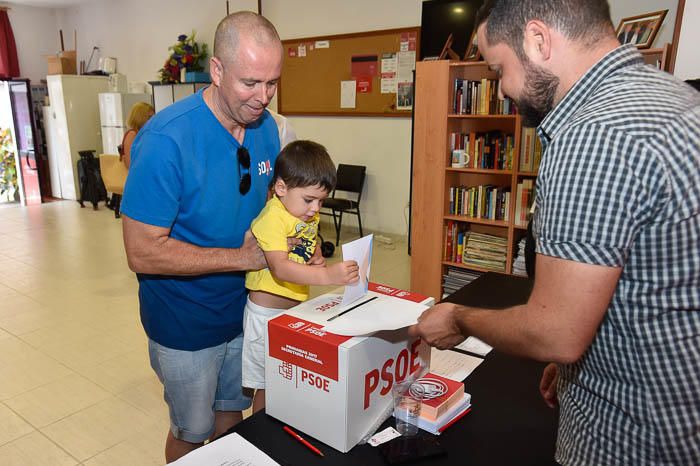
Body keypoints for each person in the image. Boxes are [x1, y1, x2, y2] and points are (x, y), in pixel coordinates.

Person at [409, 1, 700, 465]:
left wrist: (459, 317)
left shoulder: (594, 135)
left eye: (499, 68)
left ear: (538, 40)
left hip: (630, 439)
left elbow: (556, 331)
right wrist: (578, 367)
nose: (501, 88)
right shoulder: (673, 97)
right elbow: (652, 283)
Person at [120, 12, 301, 462]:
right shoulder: (166, 140)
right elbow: (142, 252)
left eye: (273, 82)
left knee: (232, 417)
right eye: (251, 83)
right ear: (217, 71)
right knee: (191, 431)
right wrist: (242, 258)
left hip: (243, 312)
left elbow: (269, 210)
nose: (264, 97)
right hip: (185, 325)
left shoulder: (266, 131)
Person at [243, 140, 359, 413]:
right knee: (268, 384)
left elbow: (308, 242)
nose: (316, 208)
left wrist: (316, 254)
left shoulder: (305, 214)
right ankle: (261, 436)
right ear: (281, 188)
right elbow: (280, 268)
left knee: (285, 379)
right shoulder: (273, 218)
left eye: (321, 200)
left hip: (293, 312)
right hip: (265, 316)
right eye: (309, 200)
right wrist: (329, 274)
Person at [107, 101, 154, 218]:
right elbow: (130, 163)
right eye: (149, 117)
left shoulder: (142, 134)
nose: (153, 119)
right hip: (136, 183)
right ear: (141, 117)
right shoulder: (132, 134)